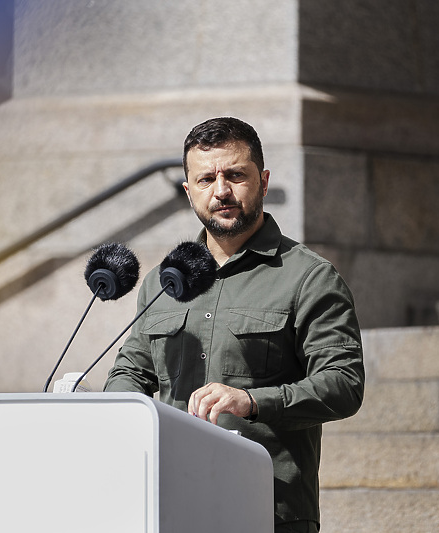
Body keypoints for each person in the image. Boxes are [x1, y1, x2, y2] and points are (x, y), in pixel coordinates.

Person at [104, 117, 364, 533]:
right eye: (206, 179)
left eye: (235, 175)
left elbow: (344, 384)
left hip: (268, 510)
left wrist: (253, 401)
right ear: (189, 191)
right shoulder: (161, 283)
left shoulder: (309, 277)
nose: (221, 191)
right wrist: (116, 413)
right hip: (169, 504)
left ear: (262, 181)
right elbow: (131, 371)